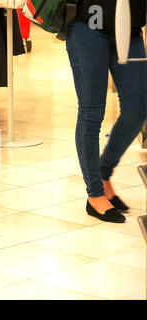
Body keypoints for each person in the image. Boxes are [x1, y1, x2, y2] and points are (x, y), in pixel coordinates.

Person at [66, 0, 147, 223]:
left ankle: (103, 171)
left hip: (130, 26)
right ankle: (95, 193)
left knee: (137, 108)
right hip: (88, 24)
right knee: (91, 111)